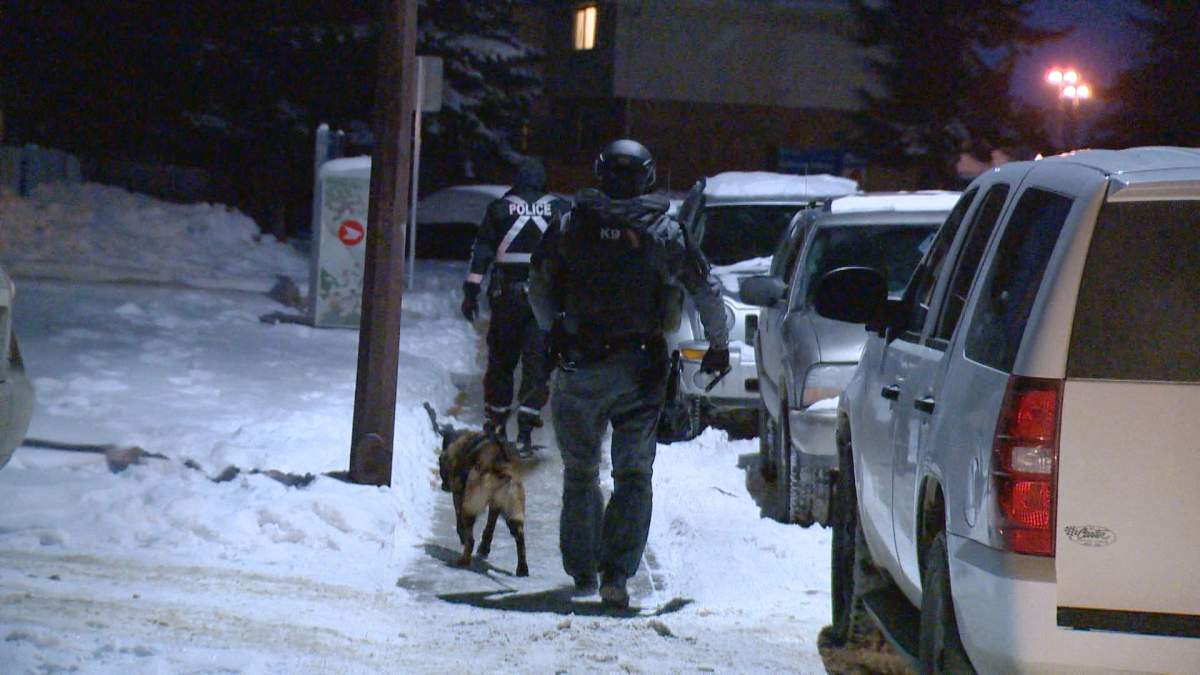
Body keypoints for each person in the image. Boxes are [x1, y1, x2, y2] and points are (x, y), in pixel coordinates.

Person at [528, 139, 730, 609]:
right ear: (648, 178)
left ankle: (581, 567)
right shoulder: (665, 231)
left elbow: (537, 286)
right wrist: (718, 345)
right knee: (633, 473)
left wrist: (552, 331)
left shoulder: (569, 225)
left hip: (579, 367)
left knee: (580, 471)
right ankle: (616, 574)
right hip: (641, 371)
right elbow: (705, 289)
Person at [461, 159, 570, 454]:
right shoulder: (560, 208)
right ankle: (525, 428)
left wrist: (471, 289)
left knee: (502, 359)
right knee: (537, 362)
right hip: (543, 297)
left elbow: (482, 251)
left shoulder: (500, 208)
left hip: (505, 295)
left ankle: (496, 423)